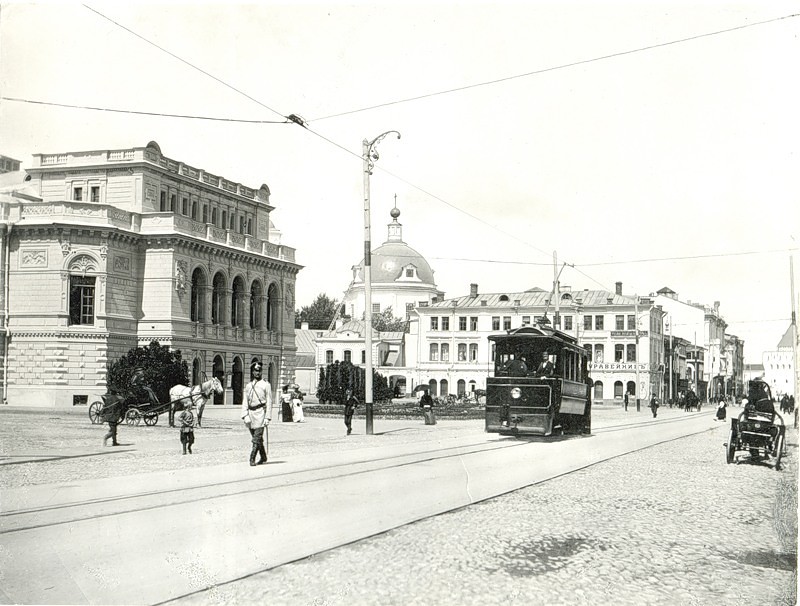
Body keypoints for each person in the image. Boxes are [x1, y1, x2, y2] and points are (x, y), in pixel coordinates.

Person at [241, 361, 272, 466]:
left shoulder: (266, 385)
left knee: (256, 438)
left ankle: (252, 458)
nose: (257, 373)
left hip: (261, 414)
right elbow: (245, 401)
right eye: (255, 371)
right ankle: (263, 456)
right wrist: (245, 415)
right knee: (257, 437)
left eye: (259, 371)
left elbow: (269, 401)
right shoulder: (249, 386)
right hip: (251, 414)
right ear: (252, 372)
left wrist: (268, 417)